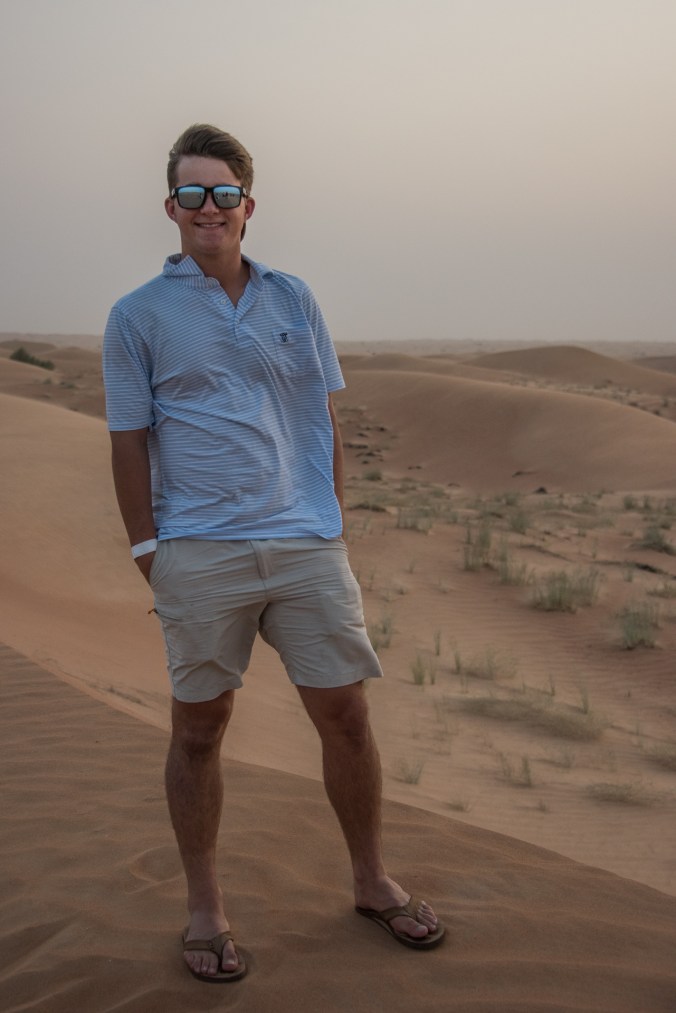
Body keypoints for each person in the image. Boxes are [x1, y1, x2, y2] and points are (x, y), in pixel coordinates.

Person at [103, 123, 444, 984]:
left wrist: (329, 516)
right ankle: (206, 908)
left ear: (248, 205)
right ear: (171, 207)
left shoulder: (295, 298)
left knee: (346, 716)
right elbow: (128, 439)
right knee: (199, 730)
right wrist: (150, 548)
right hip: (199, 550)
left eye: (223, 193)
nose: (208, 208)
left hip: (304, 543)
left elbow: (323, 415)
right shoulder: (137, 315)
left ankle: (370, 880)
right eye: (191, 193)